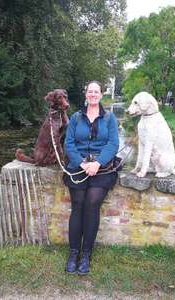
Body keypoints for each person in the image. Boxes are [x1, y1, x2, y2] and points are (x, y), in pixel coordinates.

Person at [63, 81, 119, 275]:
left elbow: (113, 144)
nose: (93, 94)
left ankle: (86, 255)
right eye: (90, 91)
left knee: (92, 203)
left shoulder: (110, 118)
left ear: (101, 95)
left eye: (96, 92)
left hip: (101, 169)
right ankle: (73, 253)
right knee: (77, 204)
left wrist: (98, 163)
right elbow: (68, 144)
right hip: (78, 167)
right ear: (86, 94)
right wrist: (81, 163)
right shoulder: (76, 118)